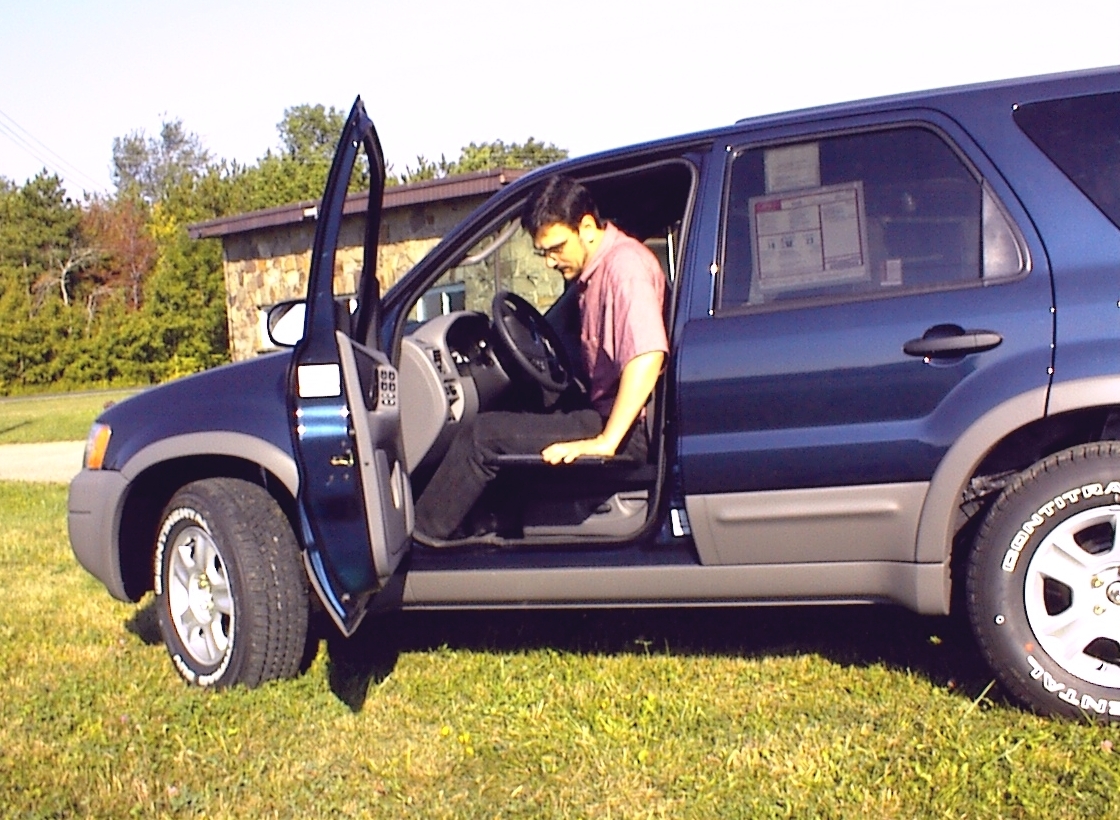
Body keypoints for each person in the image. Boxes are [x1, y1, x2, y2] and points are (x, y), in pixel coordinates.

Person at [414, 175, 668, 541]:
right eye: (543, 253)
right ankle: (492, 524)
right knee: (525, 407)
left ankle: (421, 542)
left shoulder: (624, 268)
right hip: (607, 414)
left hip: (627, 429)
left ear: (586, 227)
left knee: (482, 436)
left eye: (557, 248)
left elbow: (647, 356)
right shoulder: (596, 273)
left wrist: (606, 441)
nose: (550, 261)